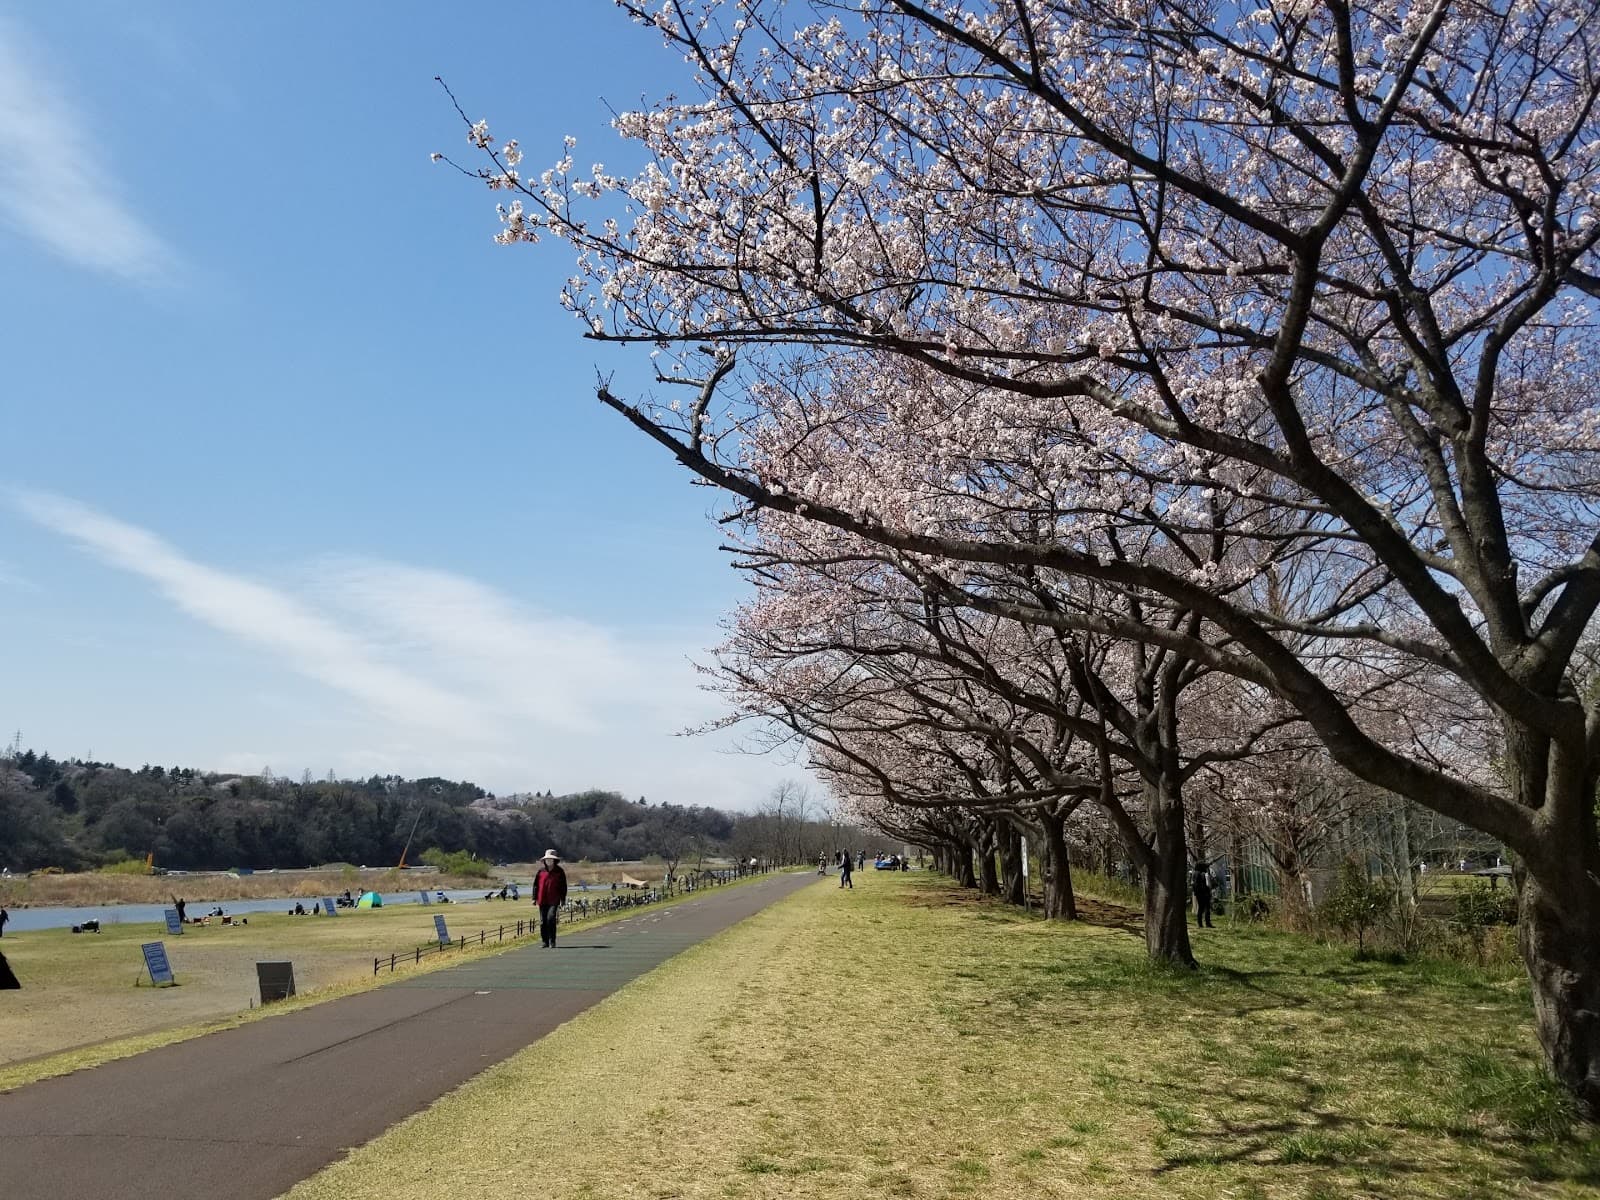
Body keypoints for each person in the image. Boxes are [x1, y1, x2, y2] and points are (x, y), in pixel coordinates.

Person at [535, 849, 569, 948]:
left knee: (551, 918)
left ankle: (552, 940)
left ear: (554, 860)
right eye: (547, 859)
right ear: (544, 860)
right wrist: (534, 898)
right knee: (543, 921)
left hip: (554, 899)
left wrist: (563, 899)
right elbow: (536, 885)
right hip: (542, 899)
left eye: (551, 859)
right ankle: (544, 941)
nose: (549, 861)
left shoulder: (559, 872)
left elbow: (563, 886)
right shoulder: (540, 872)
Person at [1191, 860, 1214, 929]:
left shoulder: (1194, 873)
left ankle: (1200, 924)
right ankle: (1207, 923)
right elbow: (1207, 884)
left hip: (1199, 893)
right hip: (1204, 893)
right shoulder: (1202, 874)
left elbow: (1193, 884)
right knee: (1206, 908)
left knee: (1201, 908)